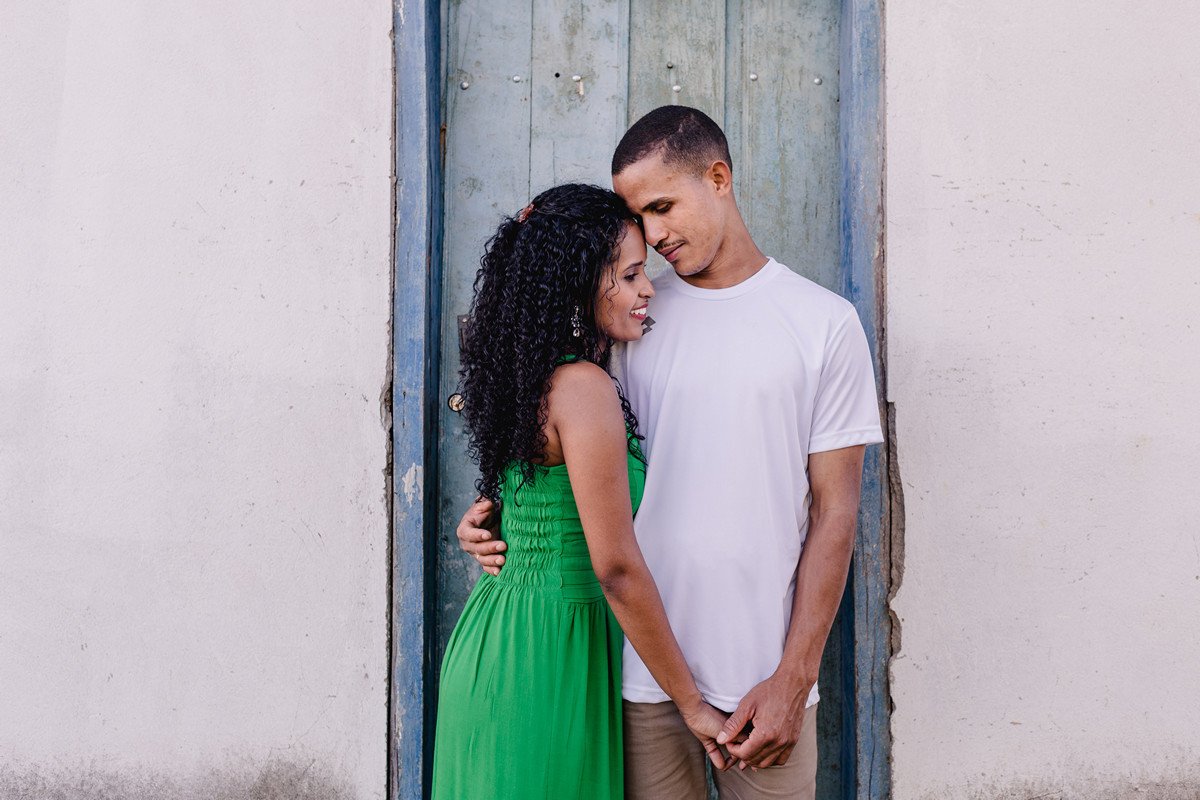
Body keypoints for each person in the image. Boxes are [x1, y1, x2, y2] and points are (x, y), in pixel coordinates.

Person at [457, 106, 884, 799]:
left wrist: (793, 678)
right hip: (635, 679)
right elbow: (551, 441)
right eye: (638, 217)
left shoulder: (824, 325)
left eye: (662, 207)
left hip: (764, 683)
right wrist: (497, 518)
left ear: (718, 178)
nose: (652, 237)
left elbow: (836, 514)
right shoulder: (628, 320)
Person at [431, 183, 729, 800]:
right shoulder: (583, 385)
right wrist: (694, 707)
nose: (647, 289)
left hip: (502, 633)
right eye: (629, 274)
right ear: (577, 283)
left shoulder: (529, 373)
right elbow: (615, 566)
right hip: (547, 652)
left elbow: (533, 501)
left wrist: (487, 525)